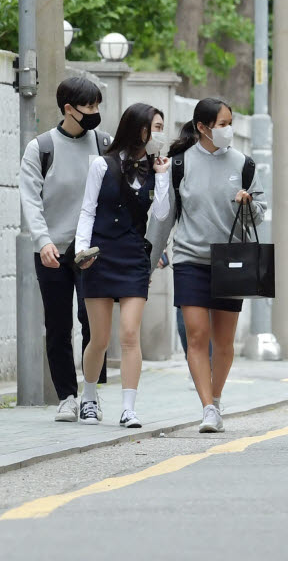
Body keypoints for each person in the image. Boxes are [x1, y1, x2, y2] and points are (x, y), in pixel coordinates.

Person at [163, 97, 267, 433]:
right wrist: (153, 255)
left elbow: (261, 214)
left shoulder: (244, 164)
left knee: (223, 342)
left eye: (229, 122)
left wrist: (248, 202)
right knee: (197, 335)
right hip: (189, 258)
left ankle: (217, 398)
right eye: (221, 124)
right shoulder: (179, 164)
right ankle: (207, 408)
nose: (228, 129)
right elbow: (166, 215)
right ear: (202, 127)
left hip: (230, 260)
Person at [18, 77, 112, 422]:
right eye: (89, 107)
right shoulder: (41, 147)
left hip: (93, 251)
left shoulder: (104, 144)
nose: (95, 113)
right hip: (53, 250)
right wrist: (42, 240)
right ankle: (67, 397)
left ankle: (91, 394)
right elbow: (30, 198)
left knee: (93, 323)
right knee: (58, 326)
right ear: (68, 109)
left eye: (98, 105)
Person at [74, 103, 171, 427]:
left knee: (130, 334)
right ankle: (88, 396)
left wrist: (162, 178)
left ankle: (129, 407)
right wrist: (82, 251)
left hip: (133, 257)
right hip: (100, 255)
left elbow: (159, 216)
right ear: (139, 129)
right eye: (155, 127)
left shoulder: (156, 168)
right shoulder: (102, 165)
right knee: (99, 338)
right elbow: (87, 210)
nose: (159, 134)